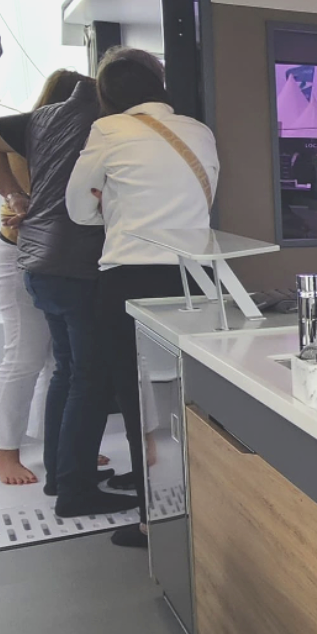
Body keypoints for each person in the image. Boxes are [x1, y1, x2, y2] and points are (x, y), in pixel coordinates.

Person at [68, 48, 219, 547]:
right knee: (198, 393)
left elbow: (77, 208)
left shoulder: (108, 130)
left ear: (107, 94)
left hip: (130, 275)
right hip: (196, 276)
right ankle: (208, 506)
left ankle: (152, 519)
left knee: (133, 392)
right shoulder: (198, 131)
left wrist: (111, 207)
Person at [0, 71, 82, 486]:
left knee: (56, 361)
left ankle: (58, 445)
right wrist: (16, 197)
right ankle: (5, 454)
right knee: (25, 356)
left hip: (39, 256)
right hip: (21, 254)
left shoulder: (27, 135)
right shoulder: (37, 136)